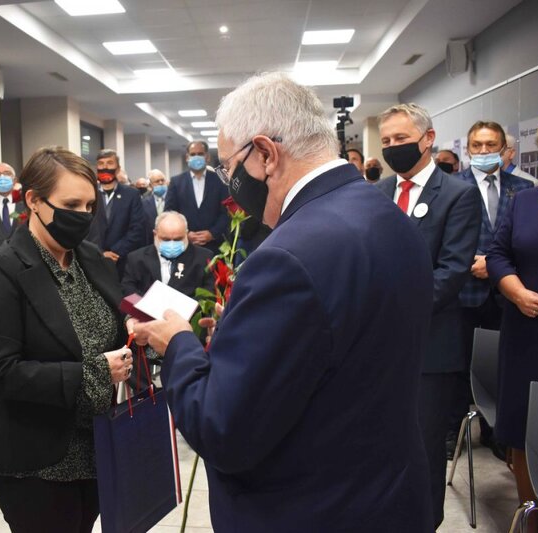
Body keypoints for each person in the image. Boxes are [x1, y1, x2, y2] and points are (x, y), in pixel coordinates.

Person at [132, 72, 434, 532]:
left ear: (265, 154)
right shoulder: (387, 215)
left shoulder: (286, 258)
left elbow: (222, 428)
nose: (230, 184)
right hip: (387, 494)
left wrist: (178, 343)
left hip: (311, 508)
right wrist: (245, 330)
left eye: (229, 169)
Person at [0, 146, 133, 533]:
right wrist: (94, 372)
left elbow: (116, 311)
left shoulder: (88, 256)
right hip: (36, 457)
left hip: (94, 445)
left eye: (90, 206)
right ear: (34, 201)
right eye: (71, 204)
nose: (83, 216)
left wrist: (136, 325)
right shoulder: (4, 269)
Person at [376, 103, 482, 529]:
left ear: (427, 139)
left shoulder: (458, 195)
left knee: (422, 447)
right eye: (386, 141)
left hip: (429, 347)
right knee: (381, 444)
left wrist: (393, 311)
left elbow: (453, 270)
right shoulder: (377, 192)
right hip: (376, 348)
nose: (392, 147)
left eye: (401, 138)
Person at [487, 106, 538, 533]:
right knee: (525, 431)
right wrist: (516, 292)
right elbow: (498, 255)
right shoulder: (524, 201)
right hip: (527, 335)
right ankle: (532, 519)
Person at [449, 121, 532, 459]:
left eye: (491, 145)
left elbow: (527, 239)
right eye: (477, 146)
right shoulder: (453, 186)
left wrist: (496, 266)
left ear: (505, 150)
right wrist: (475, 261)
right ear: (468, 149)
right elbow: (447, 236)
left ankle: (496, 432)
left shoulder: (524, 189)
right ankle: (453, 432)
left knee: (501, 365)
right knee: (458, 364)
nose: (484, 151)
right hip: (464, 290)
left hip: (507, 293)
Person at [122, 211, 214, 298]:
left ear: (186, 234)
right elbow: (128, 290)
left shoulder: (204, 258)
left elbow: (209, 294)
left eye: (178, 239)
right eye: (166, 239)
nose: (172, 244)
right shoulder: (136, 259)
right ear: (155, 234)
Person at [86, 149, 146, 276]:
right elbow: (83, 226)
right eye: (101, 163)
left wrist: (115, 252)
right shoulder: (88, 193)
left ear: (118, 169)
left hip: (122, 261)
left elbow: (137, 228)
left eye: (109, 163)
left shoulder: (132, 194)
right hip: (93, 260)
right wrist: (99, 252)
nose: (105, 167)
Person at [165, 140, 230, 252]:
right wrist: (185, 233)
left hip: (214, 245)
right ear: (187, 157)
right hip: (185, 245)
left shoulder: (219, 181)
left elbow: (226, 212)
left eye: (200, 154)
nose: (196, 157)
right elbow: (170, 212)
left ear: (207, 157)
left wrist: (212, 233)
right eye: (193, 154)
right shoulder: (176, 182)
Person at [140, 169, 168, 244]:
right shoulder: (143, 202)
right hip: (151, 241)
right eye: (157, 181)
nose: (161, 183)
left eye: (162, 180)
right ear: (150, 185)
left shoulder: (174, 199)